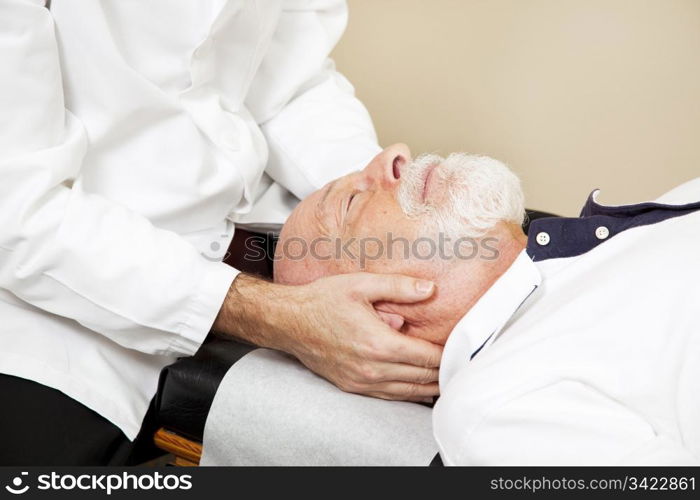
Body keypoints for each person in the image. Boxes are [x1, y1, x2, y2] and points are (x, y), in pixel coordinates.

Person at [0, 1, 441, 465]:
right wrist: (274, 314)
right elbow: (15, 207)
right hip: (53, 300)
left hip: (246, 232)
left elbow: (289, 80)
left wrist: (377, 202)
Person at [275, 143, 700, 465]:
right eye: (349, 202)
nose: (395, 153)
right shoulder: (495, 407)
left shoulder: (626, 236)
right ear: (375, 322)